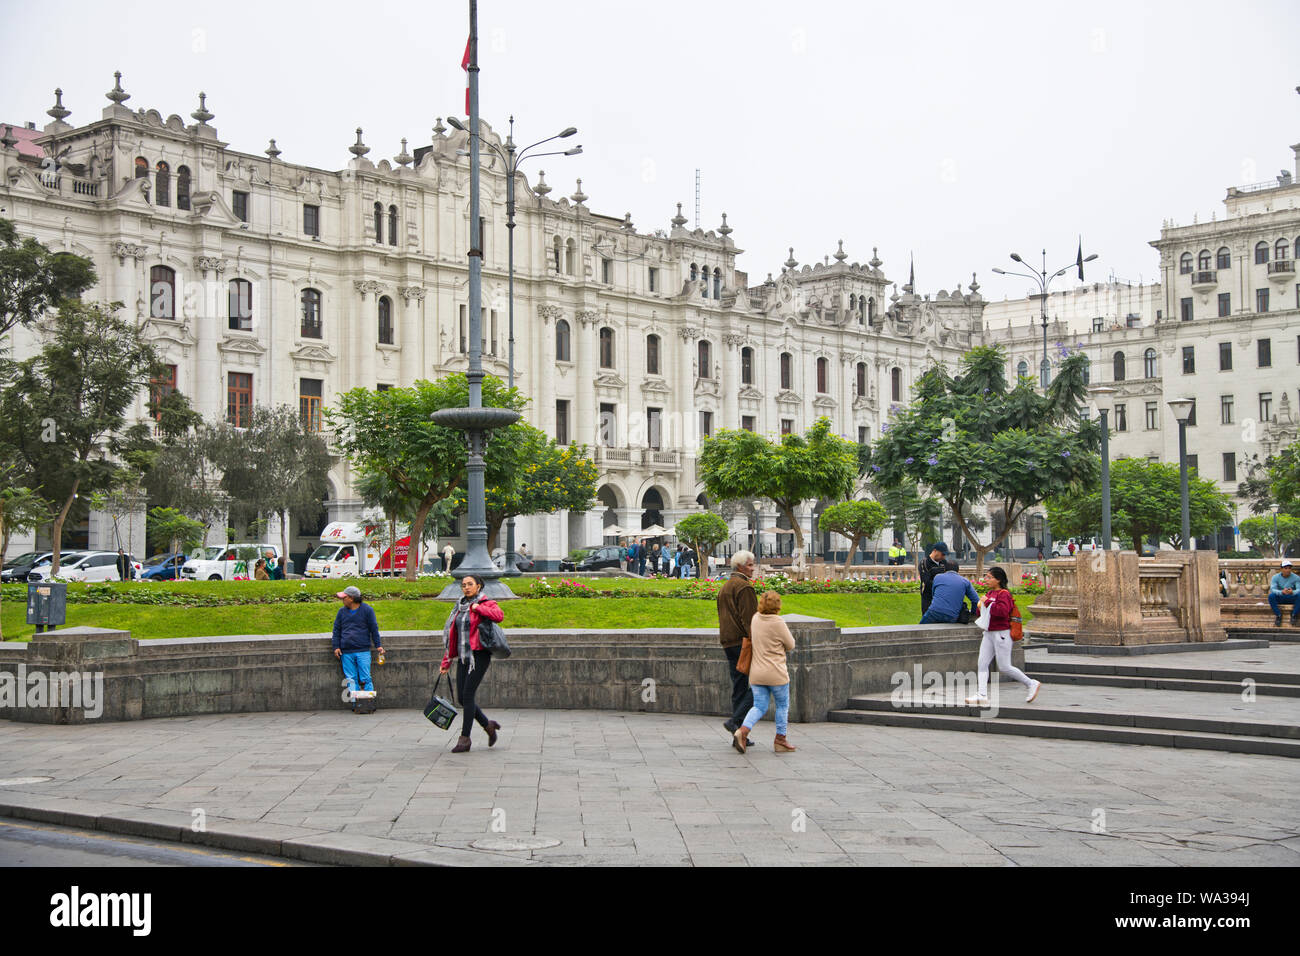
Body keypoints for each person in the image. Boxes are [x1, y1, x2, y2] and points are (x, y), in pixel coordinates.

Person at [440, 574, 505, 753]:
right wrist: (446, 661)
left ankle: (465, 739)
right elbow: (453, 636)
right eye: (463, 585)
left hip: (479, 656)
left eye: (470, 584)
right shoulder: (459, 607)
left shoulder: (485, 603)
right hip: (462, 656)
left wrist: (478, 608)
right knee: (462, 698)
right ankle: (488, 725)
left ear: (479, 586)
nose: (466, 587)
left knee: (467, 696)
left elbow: (499, 616)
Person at [733, 590, 796, 754]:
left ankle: (743, 731)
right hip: (776, 673)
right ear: (778, 605)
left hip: (757, 673)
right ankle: (780, 740)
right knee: (782, 705)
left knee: (759, 706)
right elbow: (790, 645)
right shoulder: (778, 622)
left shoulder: (755, 619)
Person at [965, 567, 1040, 706]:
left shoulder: (1004, 594)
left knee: (1004, 666)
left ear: (998, 579)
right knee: (982, 663)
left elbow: (1002, 612)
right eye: (986, 577)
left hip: (1001, 633)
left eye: (989, 577)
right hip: (988, 633)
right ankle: (981, 694)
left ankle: (1031, 683)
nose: (986, 580)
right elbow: (983, 612)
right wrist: (980, 605)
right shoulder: (990, 593)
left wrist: (986, 602)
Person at [716, 550, 758, 738]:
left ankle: (738, 732)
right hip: (743, 642)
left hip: (728, 641)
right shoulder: (744, 587)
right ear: (740, 566)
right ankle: (736, 722)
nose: (753, 568)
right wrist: (756, 642)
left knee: (739, 685)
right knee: (759, 686)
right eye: (750, 565)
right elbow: (750, 620)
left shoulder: (725, 586)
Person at [332, 585, 384, 712]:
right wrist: (336, 646)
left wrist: (378, 645)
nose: (342, 600)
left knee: (366, 677)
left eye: (344, 597)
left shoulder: (367, 610)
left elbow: (373, 628)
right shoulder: (341, 612)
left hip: (363, 650)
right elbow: (336, 630)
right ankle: (357, 704)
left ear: (351, 598)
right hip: (346, 651)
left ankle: (368, 702)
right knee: (351, 678)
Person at [920, 559, 979, 624]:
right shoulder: (965, 581)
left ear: (944, 569)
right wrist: (973, 613)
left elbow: (934, 594)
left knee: (920, 630)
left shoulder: (937, 577)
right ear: (958, 570)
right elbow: (976, 600)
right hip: (952, 615)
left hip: (934, 612)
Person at [919, 542, 948, 615]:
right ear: (935, 551)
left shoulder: (944, 563)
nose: (943, 557)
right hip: (928, 597)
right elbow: (927, 582)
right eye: (942, 554)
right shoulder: (924, 563)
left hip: (942, 597)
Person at [1268, 559, 1300, 626]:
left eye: (1289, 568)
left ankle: (1294, 614)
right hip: (1281, 596)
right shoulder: (1275, 577)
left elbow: (1299, 589)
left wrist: (1292, 592)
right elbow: (1273, 589)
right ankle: (1278, 615)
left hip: (1291, 596)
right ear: (1281, 569)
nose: (1288, 570)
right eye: (1285, 568)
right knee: (1271, 596)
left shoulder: (1296, 578)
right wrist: (1281, 592)